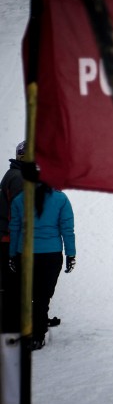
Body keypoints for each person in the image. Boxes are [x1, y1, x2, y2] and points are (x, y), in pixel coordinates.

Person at [9, 182, 76, 350]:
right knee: (42, 297)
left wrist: (12, 255)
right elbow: (67, 229)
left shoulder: (20, 199)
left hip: (24, 253)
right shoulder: (61, 199)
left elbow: (15, 229)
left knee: (27, 295)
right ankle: (38, 336)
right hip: (51, 255)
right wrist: (70, 254)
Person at [0, 141, 26, 333]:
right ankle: (13, 324)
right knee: (14, 283)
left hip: (9, 237)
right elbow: (19, 213)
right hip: (11, 239)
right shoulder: (18, 178)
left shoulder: (15, 175)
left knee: (14, 282)